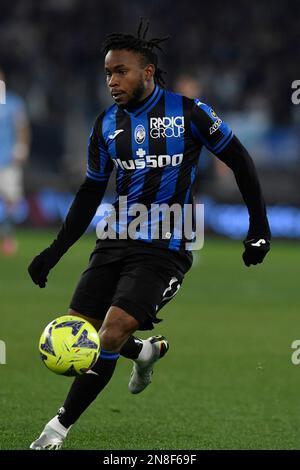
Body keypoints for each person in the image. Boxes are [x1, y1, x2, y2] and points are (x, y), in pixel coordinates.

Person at [28, 20, 271, 450]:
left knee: (112, 330)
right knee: (85, 330)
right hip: (116, 238)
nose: (112, 81)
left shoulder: (192, 113)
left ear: (148, 73)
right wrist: (55, 250)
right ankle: (144, 354)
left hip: (167, 245)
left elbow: (240, 161)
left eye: (120, 71)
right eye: (107, 73)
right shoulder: (106, 125)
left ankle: (56, 429)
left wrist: (259, 228)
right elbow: (89, 191)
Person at [0, 69, 30, 255]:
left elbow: (22, 127)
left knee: (11, 200)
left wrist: (21, 148)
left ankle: (8, 236)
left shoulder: (13, 103)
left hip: (7, 160)